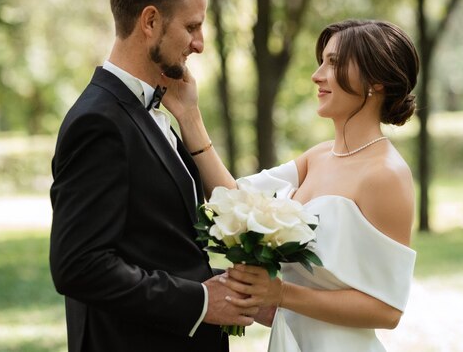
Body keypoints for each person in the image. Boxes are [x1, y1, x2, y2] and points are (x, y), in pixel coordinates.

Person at [49, 0, 266, 352]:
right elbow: (78, 266)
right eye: (192, 27)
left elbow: (158, 245)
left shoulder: (155, 108)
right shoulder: (98, 123)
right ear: (150, 21)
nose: (199, 44)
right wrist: (201, 301)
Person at [160, 19, 419, 351]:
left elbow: (387, 309)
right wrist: (189, 115)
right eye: (321, 61)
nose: (318, 74)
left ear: (377, 82)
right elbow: (235, 200)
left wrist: (281, 293)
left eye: (334, 63)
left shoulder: (387, 175)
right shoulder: (319, 156)